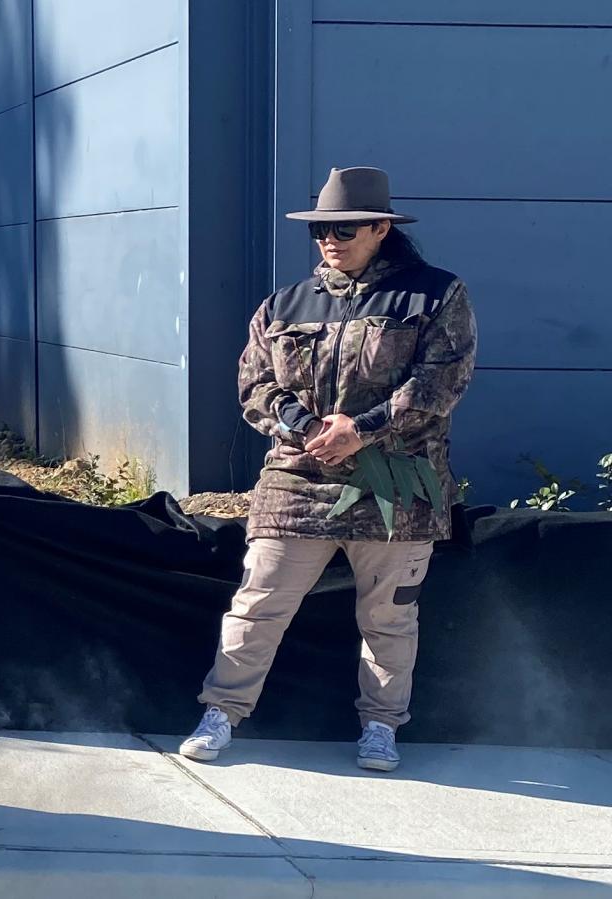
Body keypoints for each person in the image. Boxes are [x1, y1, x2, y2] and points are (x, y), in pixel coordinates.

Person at [181, 166, 477, 772]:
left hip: (397, 484)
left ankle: (381, 727)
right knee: (258, 603)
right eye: (319, 229)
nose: (328, 240)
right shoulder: (284, 304)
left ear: (380, 227)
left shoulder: (435, 295)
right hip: (297, 481)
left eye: (343, 228)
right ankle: (221, 713)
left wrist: (360, 430)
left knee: (389, 618)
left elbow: (441, 382)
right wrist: (306, 428)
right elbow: (254, 384)